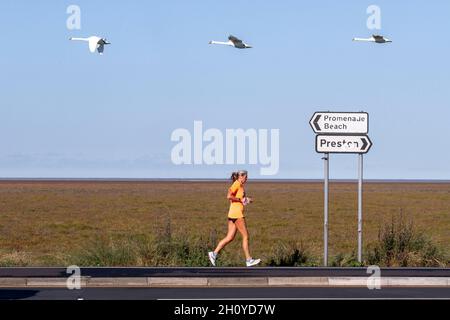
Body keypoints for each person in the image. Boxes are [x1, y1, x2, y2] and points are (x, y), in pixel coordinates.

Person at [208, 170, 261, 267]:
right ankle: (248, 259)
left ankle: (214, 253)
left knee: (230, 237)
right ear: (241, 176)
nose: (247, 178)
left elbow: (239, 199)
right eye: (245, 177)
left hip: (232, 213)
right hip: (237, 214)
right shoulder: (236, 184)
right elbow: (229, 196)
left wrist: (246, 200)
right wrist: (241, 199)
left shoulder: (240, 186)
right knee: (245, 236)